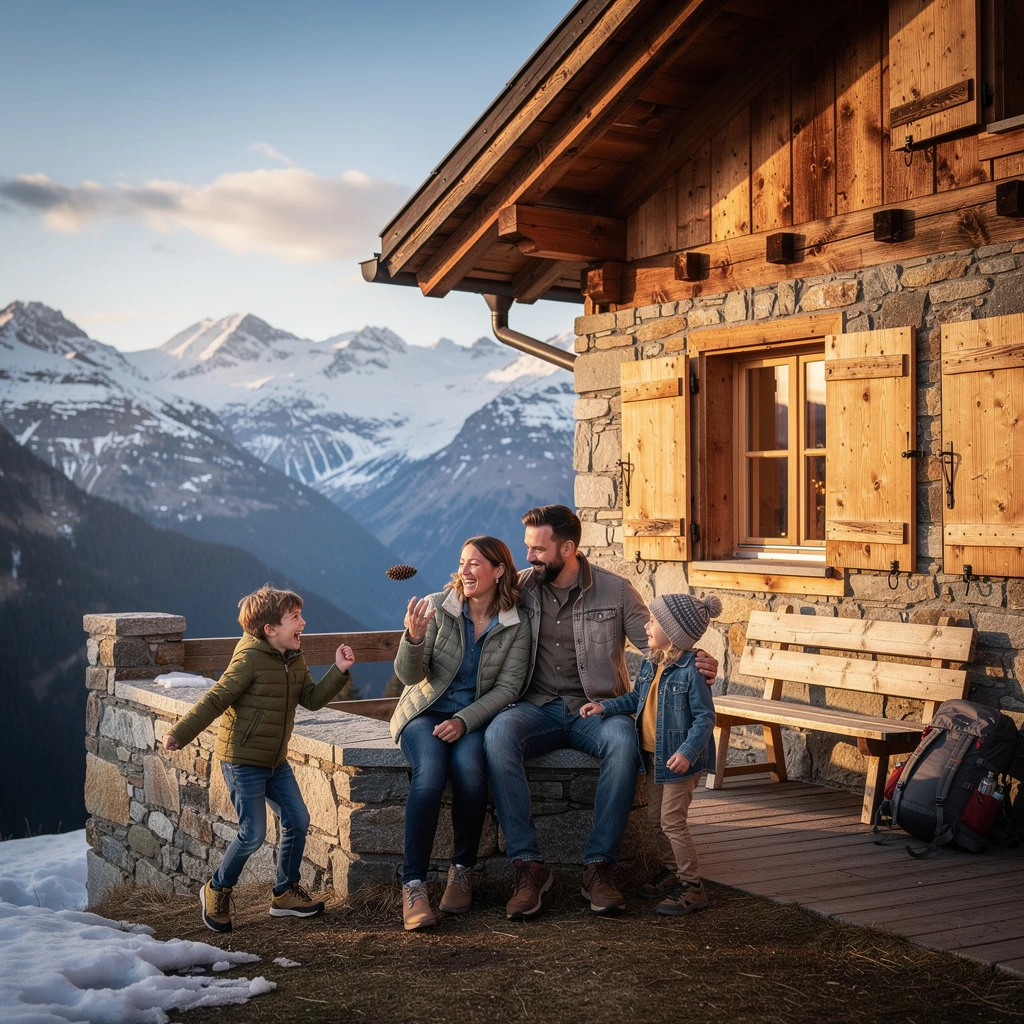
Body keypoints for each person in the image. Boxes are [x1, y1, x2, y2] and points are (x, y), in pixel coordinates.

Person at [483, 505, 719, 920]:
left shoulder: (616, 590)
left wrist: (699, 661)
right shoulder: (520, 588)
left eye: (538, 549)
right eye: (527, 549)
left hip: (599, 710)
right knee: (498, 735)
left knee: (624, 743)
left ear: (568, 548)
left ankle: (599, 868)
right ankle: (528, 866)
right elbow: (473, 602)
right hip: (534, 708)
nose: (529, 558)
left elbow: (660, 641)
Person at [161, 583, 355, 933]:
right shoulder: (249, 658)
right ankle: (217, 888)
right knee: (253, 833)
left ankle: (284, 894)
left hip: (274, 761)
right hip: (242, 760)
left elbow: (309, 699)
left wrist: (338, 671)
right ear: (270, 630)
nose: (303, 623)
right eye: (295, 617)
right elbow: (217, 698)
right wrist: (181, 732)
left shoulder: (293, 657)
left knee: (297, 820)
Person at [392, 536, 531, 931]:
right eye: (462, 563)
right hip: (424, 712)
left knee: (471, 772)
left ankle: (462, 870)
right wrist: (413, 639)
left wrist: (464, 721)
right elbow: (408, 677)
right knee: (430, 775)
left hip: (472, 718)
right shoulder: (439, 606)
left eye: (475, 564)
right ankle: (414, 887)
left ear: (499, 570)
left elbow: (509, 688)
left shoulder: (516, 623)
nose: (465, 571)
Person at [581, 592, 720, 916]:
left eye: (654, 621)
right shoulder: (651, 661)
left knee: (673, 822)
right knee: (657, 821)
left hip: (678, 762)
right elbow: (635, 700)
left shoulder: (692, 670)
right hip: (654, 757)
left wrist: (687, 752)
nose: (646, 625)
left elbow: (705, 718)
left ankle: (692, 886)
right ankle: (673, 872)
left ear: (673, 632)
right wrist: (605, 706)